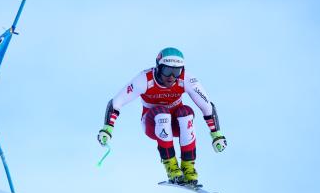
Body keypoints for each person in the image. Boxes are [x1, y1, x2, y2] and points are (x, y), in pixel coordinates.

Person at [97, 47, 227, 185]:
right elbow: (116, 102)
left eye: (176, 71)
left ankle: (189, 168)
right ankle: (171, 167)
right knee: (162, 112)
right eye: (167, 71)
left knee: (186, 112)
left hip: (176, 124)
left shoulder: (186, 78)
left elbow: (207, 106)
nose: (172, 77)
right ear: (158, 67)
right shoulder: (144, 79)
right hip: (152, 123)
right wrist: (107, 129)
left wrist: (217, 135)